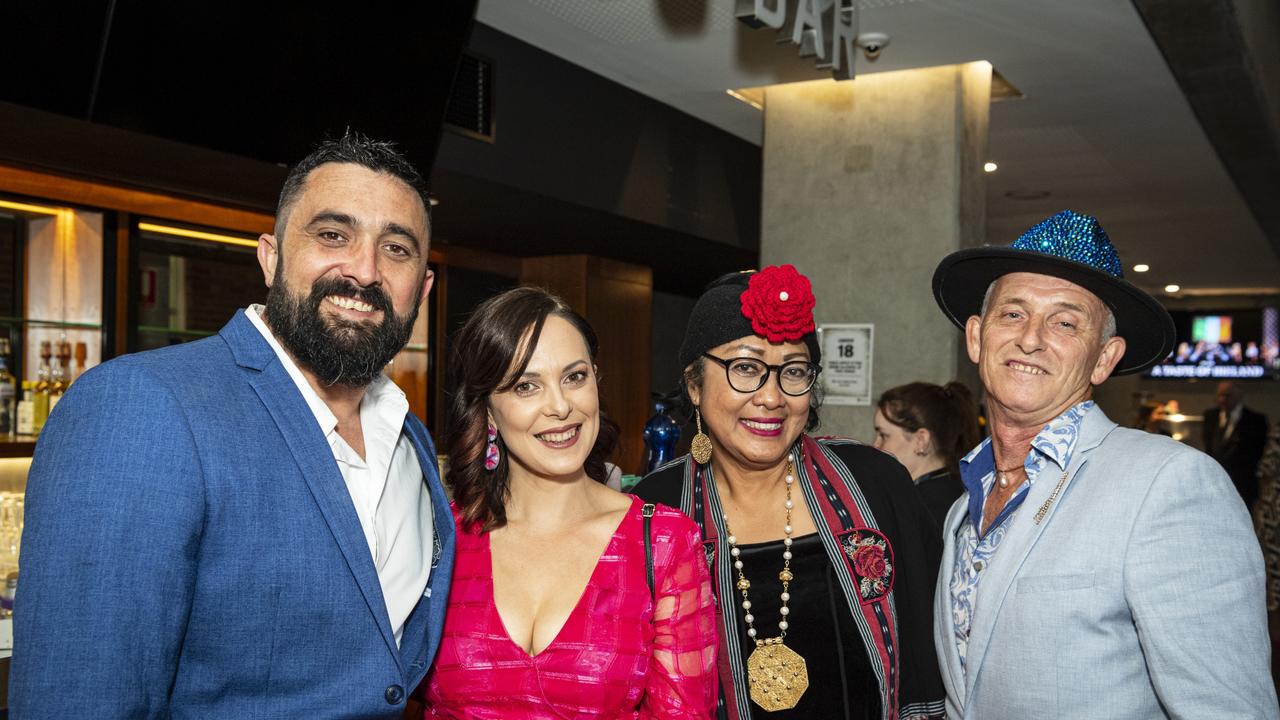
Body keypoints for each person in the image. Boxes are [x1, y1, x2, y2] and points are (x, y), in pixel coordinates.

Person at [11, 133, 455, 717]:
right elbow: (79, 698)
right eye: (332, 235)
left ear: (421, 288)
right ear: (270, 258)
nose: (365, 270)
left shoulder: (411, 437)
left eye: (396, 249)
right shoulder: (140, 405)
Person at [930, 209, 1276, 718]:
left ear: (1104, 359)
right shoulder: (964, 505)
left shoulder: (1169, 484)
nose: (1031, 337)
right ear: (977, 337)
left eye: (1065, 322)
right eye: (1013, 313)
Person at [633, 265, 946, 720]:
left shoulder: (874, 483)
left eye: (793, 372)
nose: (773, 398)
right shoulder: (652, 510)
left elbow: (929, 645)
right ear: (695, 384)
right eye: (745, 368)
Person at [423, 287, 718, 718]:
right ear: (487, 409)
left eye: (574, 377)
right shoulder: (440, 540)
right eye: (526, 386)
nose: (561, 406)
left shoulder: (664, 543)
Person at [872, 381, 980, 535]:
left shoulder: (918, 508)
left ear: (920, 440)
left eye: (884, 435)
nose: (875, 445)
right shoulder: (958, 491)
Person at [1203, 379, 1270, 510]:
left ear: (1239, 396)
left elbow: (1258, 453)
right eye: (1220, 395)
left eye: (1227, 395)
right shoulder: (1210, 416)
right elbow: (1209, 447)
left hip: (1243, 484)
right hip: (1213, 482)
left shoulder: (1256, 420)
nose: (1222, 400)